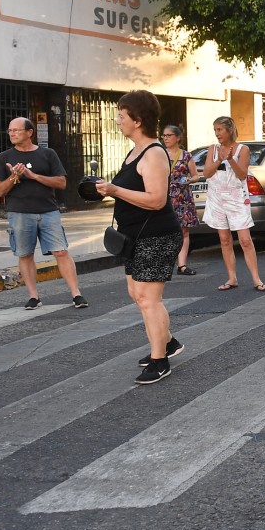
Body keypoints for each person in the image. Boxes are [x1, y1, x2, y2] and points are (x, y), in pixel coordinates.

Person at [96, 90, 184, 385]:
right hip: (136, 236)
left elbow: (157, 200)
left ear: (138, 119)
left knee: (149, 298)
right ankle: (168, 341)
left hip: (157, 235)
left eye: (122, 116)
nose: (118, 120)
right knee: (138, 294)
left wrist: (115, 190)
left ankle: (160, 361)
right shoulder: (134, 151)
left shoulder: (154, 152)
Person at [0, 117, 87, 310]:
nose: (12, 134)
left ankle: (76, 293)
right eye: (10, 131)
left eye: (16, 130)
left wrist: (33, 176)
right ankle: (34, 296)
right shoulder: (3, 158)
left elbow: (61, 183)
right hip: (19, 212)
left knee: (61, 251)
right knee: (25, 254)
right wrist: (14, 176)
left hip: (48, 210)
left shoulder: (48, 154)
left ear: (29, 132)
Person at [202, 116, 265, 291]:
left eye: (220, 130)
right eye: (215, 130)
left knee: (245, 240)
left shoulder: (242, 149)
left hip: (237, 198)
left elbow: (242, 175)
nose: (217, 134)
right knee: (224, 239)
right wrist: (219, 160)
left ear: (229, 130)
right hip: (217, 198)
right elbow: (207, 173)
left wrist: (230, 159)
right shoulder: (213, 149)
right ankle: (232, 278)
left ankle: (257, 279)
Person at [161, 124, 200, 275]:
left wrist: (190, 180)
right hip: (163, 196)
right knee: (164, 231)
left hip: (182, 197)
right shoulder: (159, 154)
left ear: (178, 138)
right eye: (164, 135)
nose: (165, 138)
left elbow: (196, 175)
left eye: (169, 135)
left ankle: (182, 265)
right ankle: (165, 264)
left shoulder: (186, 155)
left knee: (183, 231)